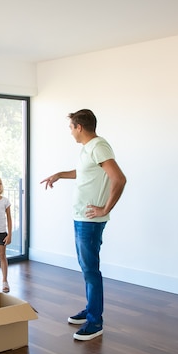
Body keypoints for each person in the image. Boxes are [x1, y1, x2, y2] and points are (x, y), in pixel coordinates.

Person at [41, 109, 126, 341]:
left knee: (90, 270)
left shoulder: (99, 146)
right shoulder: (87, 150)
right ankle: (90, 309)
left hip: (90, 220)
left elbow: (119, 178)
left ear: (79, 127)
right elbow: (83, 173)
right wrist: (59, 174)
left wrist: (105, 208)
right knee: (86, 268)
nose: (70, 132)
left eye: (71, 127)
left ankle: (95, 321)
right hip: (81, 218)